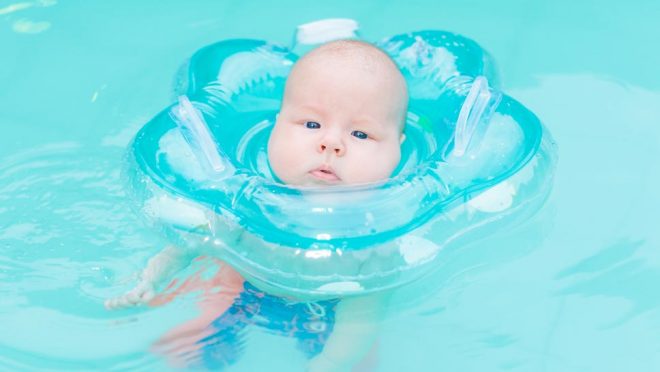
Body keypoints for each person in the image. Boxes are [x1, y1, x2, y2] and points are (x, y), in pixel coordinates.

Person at [106, 39, 408, 372]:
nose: (331, 143)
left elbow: (362, 313)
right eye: (311, 124)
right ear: (277, 124)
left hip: (332, 307)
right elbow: (190, 243)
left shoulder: (378, 235)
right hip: (244, 287)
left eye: (361, 134)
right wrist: (152, 277)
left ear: (398, 148)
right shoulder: (246, 196)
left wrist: (332, 361)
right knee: (185, 348)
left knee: (360, 362)